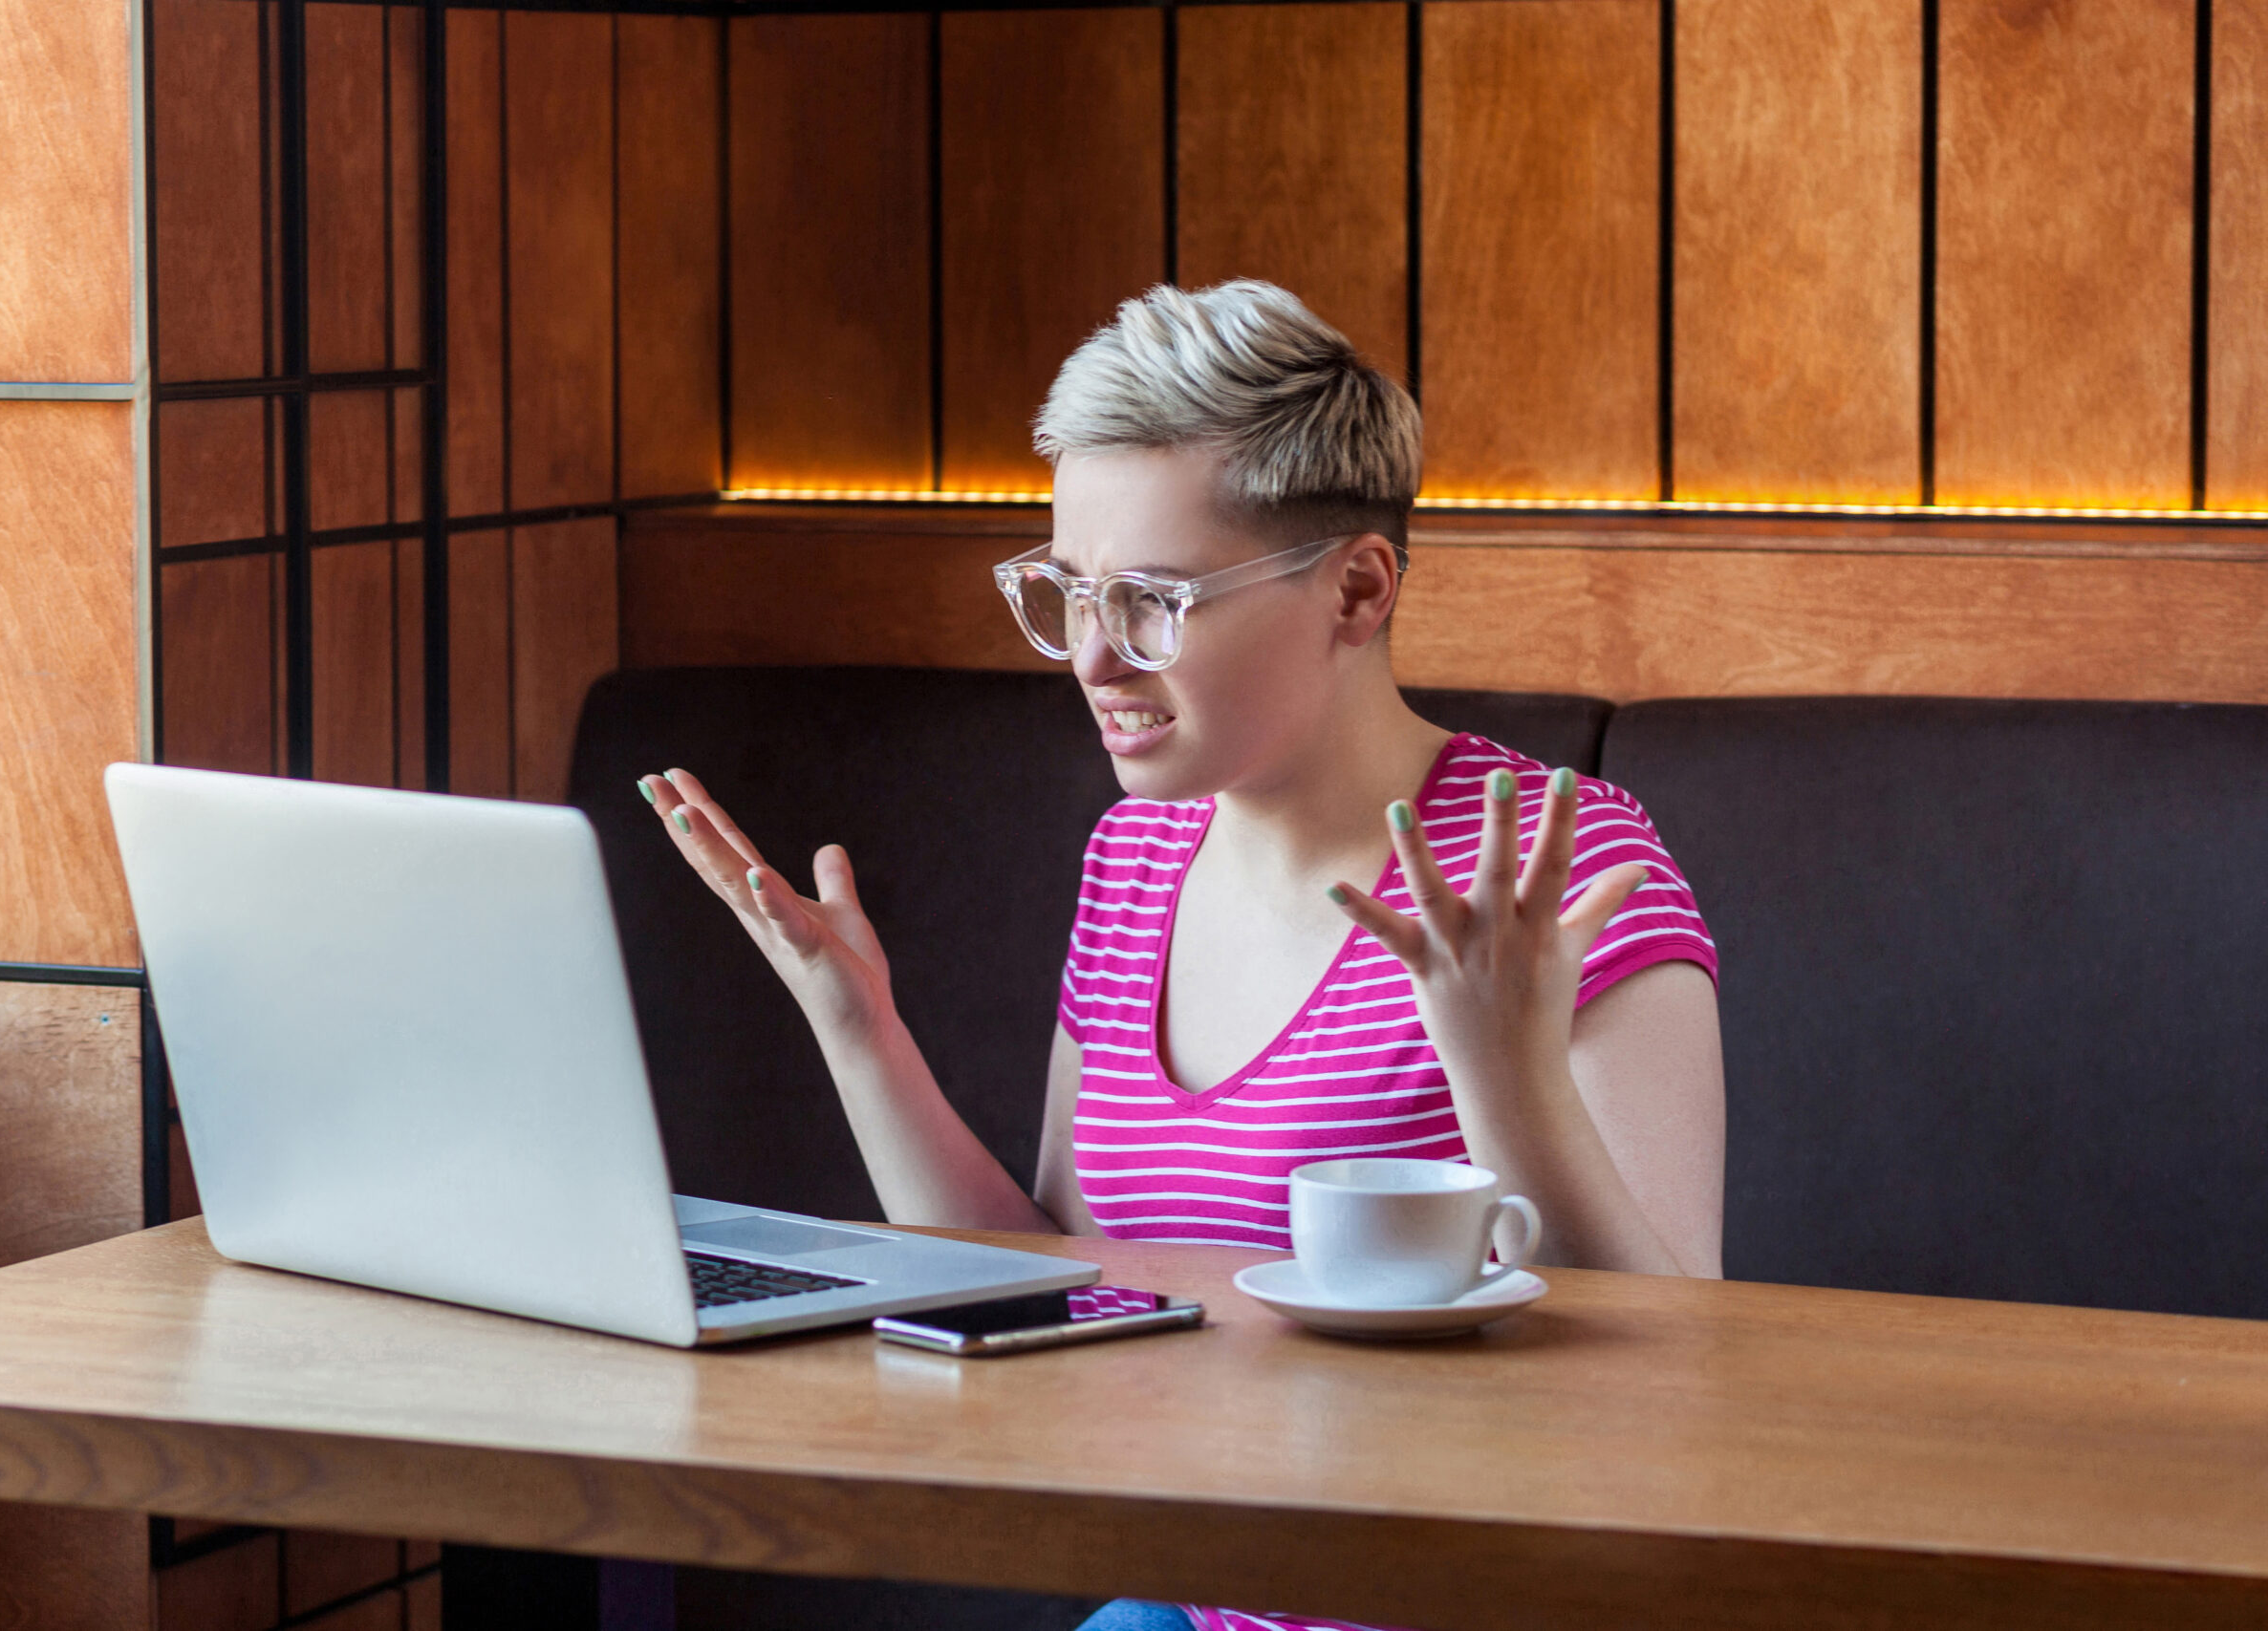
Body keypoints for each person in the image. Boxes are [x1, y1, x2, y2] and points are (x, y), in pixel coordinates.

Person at [638, 281, 1724, 1631]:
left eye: (1152, 599)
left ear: (1358, 589)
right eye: (1068, 592)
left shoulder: (1553, 869)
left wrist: (1505, 1071)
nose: (1092, 656)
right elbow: (1063, 1298)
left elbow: (1682, 1393)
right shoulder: (1134, 863)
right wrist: (864, 1037)